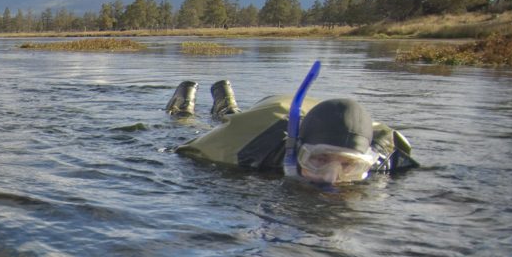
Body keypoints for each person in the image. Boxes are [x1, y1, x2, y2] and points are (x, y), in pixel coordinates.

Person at [169, 79, 418, 184]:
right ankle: (184, 103)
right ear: (296, 150)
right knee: (226, 121)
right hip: (271, 114)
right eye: (319, 160)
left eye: (349, 166)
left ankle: (225, 96)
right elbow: (188, 151)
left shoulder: (383, 159)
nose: (330, 178)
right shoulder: (250, 147)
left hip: (317, 116)